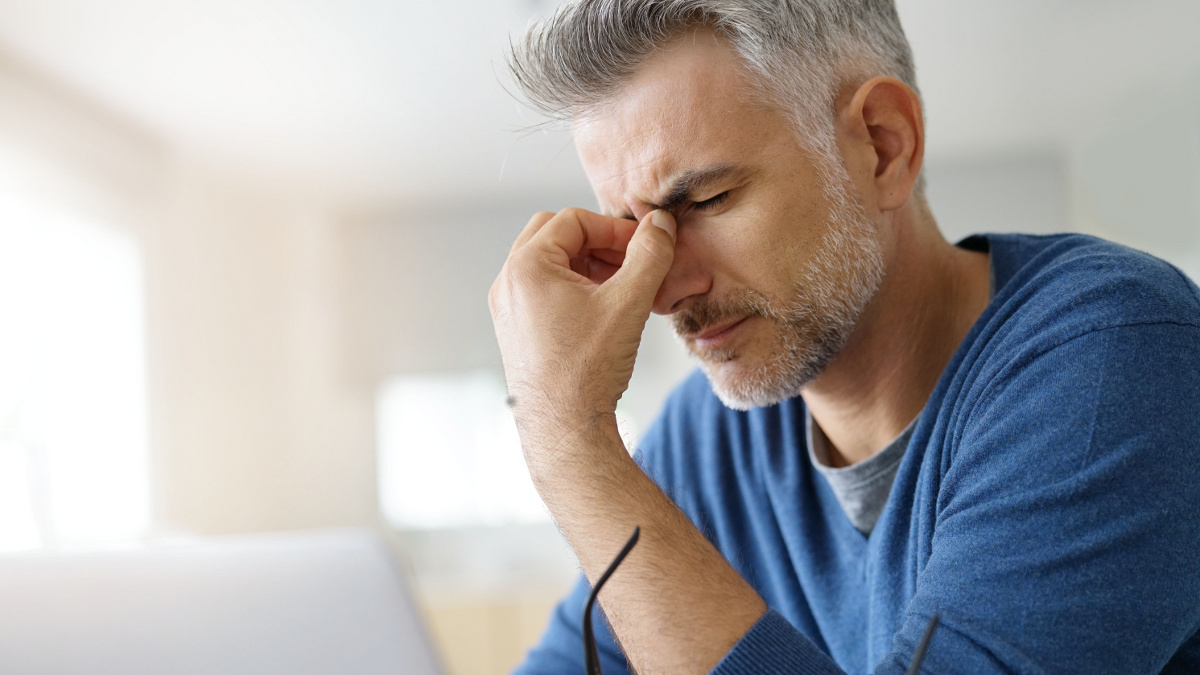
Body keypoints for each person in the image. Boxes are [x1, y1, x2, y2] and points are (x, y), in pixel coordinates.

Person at [488, 1, 1200, 673]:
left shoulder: (1118, 353)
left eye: (706, 200)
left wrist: (569, 439)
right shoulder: (701, 444)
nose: (664, 291)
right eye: (633, 231)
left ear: (884, 148)